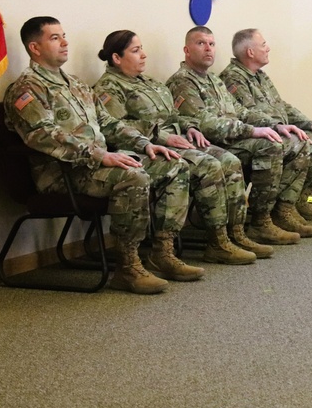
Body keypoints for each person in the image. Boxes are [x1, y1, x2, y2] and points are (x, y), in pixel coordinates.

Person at [4, 16, 190, 294]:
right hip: (62, 174)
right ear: (35, 48)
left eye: (64, 35)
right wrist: (98, 155)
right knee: (133, 176)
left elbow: (109, 122)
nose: (65, 42)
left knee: (174, 166)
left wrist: (144, 143)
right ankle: (127, 267)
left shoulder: (76, 85)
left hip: (96, 165)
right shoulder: (27, 88)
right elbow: (42, 135)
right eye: (55, 38)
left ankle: (163, 252)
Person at [93, 30, 272, 267]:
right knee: (208, 165)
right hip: (146, 150)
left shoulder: (151, 84)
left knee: (228, 160)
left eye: (141, 48)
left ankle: (231, 235)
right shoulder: (109, 88)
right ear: (117, 58)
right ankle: (172, 249)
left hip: (178, 141)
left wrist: (189, 127)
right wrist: (163, 136)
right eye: (136, 51)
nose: (144, 55)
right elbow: (117, 128)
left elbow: (173, 114)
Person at [166, 26, 312, 244]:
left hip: (232, 139)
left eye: (212, 44)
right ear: (186, 50)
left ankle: (279, 213)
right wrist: (253, 131)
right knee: (270, 146)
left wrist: (274, 125)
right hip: (213, 143)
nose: (208, 49)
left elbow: (240, 111)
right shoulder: (182, 82)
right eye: (201, 43)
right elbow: (208, 125)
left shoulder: (214, 81)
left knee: (293, 142)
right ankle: (259, 222)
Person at [221, 29, 312, 221]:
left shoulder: (260, 76)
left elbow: (283, 106)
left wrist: (311, 125)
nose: (268, 48)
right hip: (263, 135)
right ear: (250, 52)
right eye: (263, 45)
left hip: (283, 130)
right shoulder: (233, 78)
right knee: (306, 147)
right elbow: (247, 114)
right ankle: (281, 209)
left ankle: (297, 199)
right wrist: (277, 126)